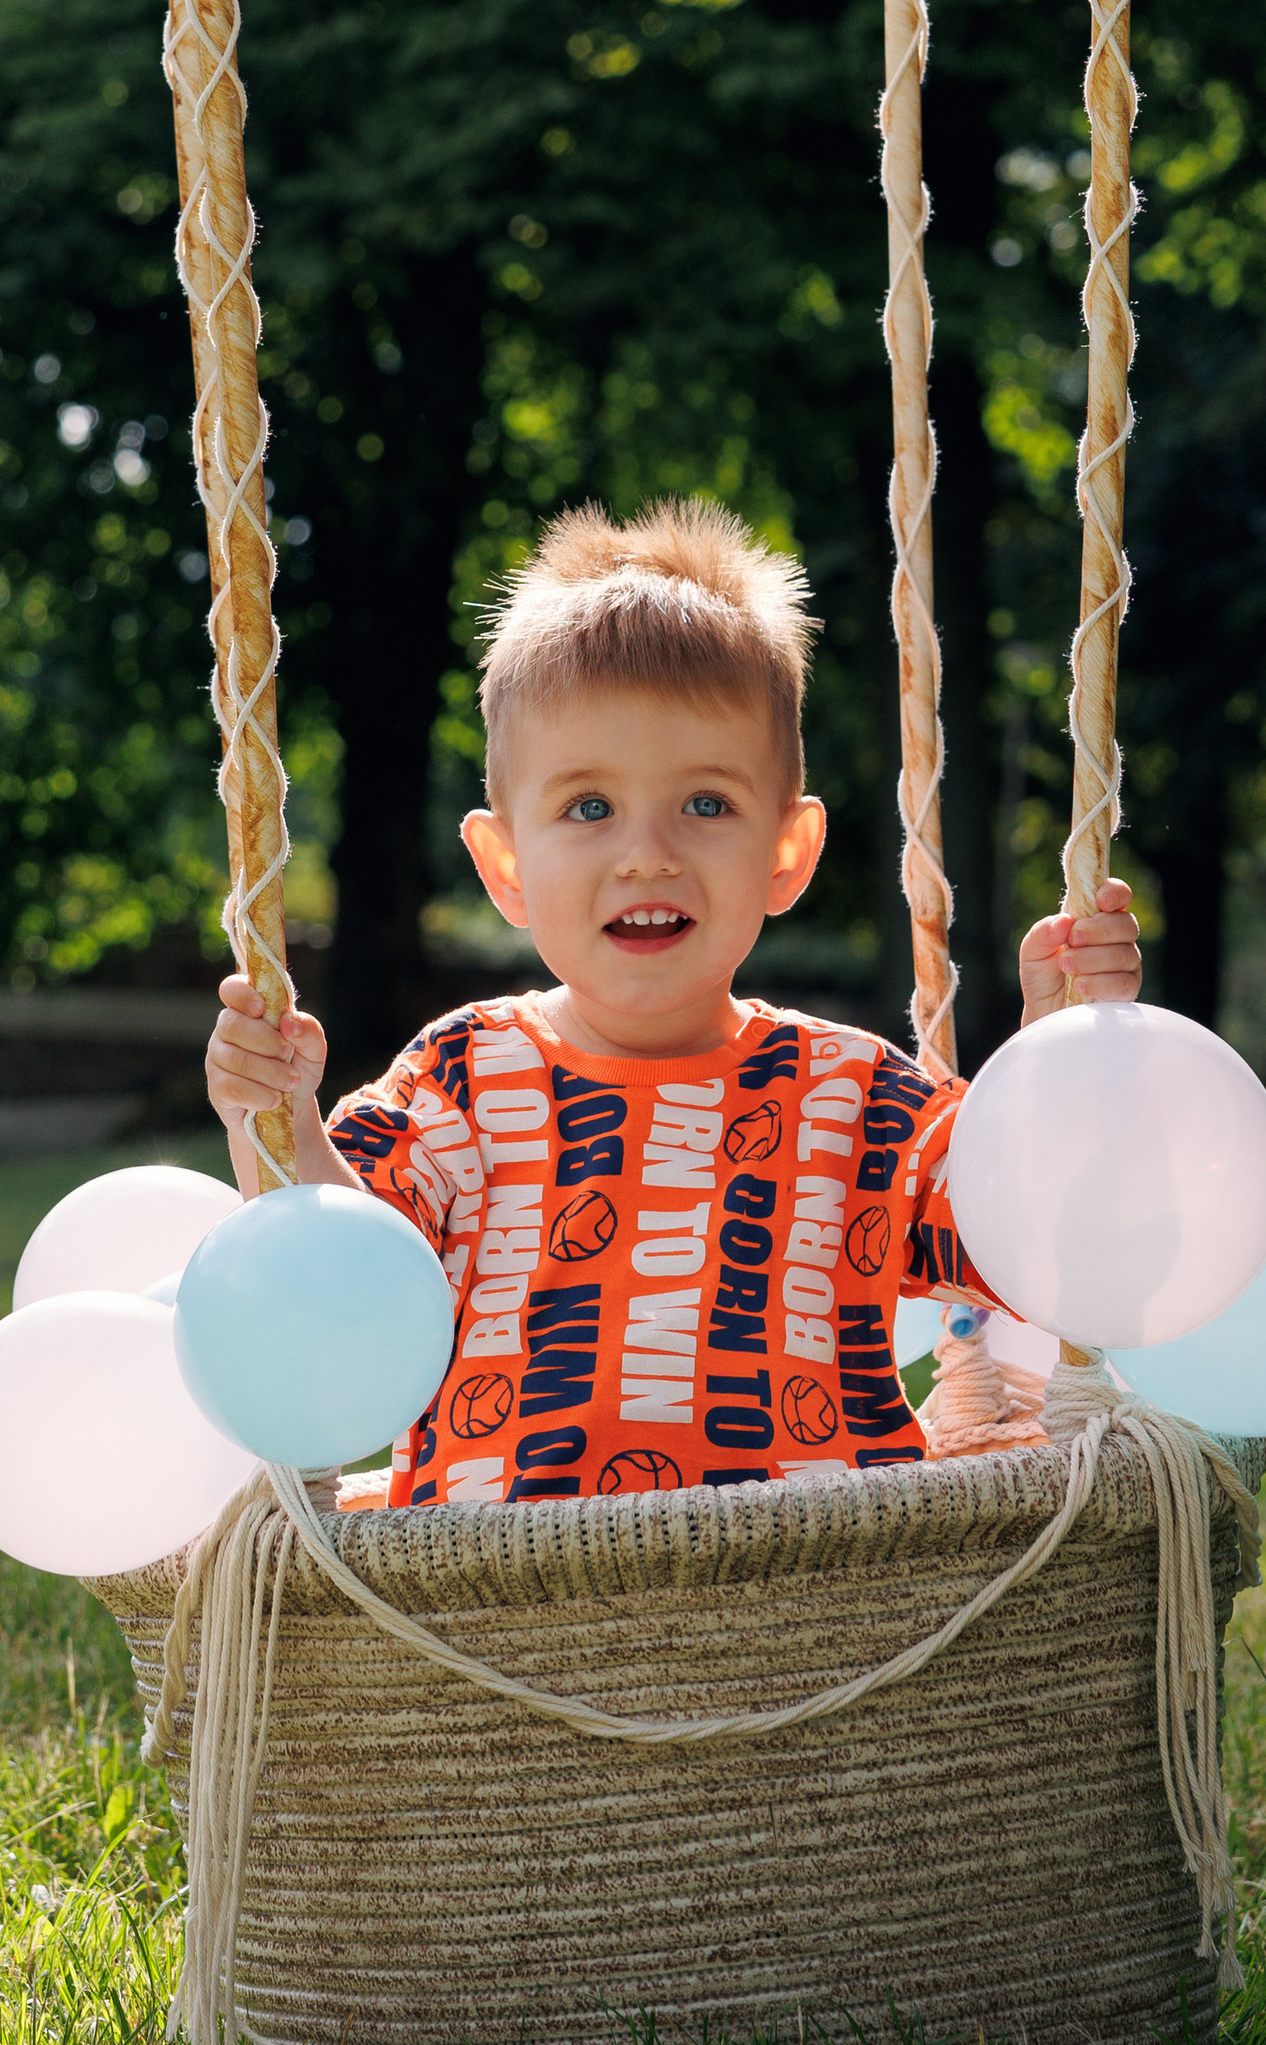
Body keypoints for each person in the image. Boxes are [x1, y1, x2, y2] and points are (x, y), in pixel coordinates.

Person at [204, 498, 1141, 1509]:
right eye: (588, 807)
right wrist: (281, 1117)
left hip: (822, 1594)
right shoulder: (459, 1081)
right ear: (504, 865)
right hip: (495, 1600)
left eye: (706, 804)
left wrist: (1069, 1046)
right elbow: (346, 1284)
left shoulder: (855, 1097)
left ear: (788, 853)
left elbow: (1033, 1237)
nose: (646, 853)